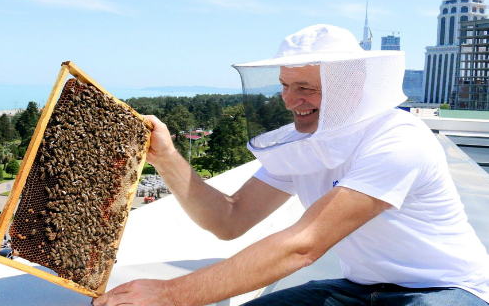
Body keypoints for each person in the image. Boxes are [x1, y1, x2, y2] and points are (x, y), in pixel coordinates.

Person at [93, 25, 489, 306]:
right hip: (356, 288)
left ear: (352, 87)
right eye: (285, 85)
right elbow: (229, 220)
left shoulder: (399, 140)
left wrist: (170, 295)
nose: (288, 100)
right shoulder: (301, 144)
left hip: (445, 291)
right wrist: (166, 158)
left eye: (305, 88)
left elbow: (303, 246)